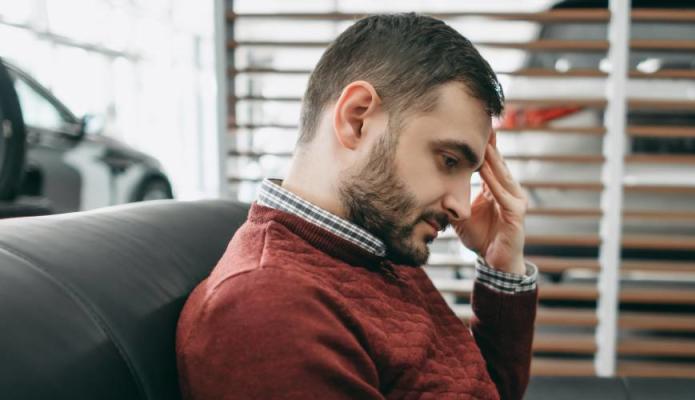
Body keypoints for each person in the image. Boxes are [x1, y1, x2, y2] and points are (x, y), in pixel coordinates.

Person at [176, 13, 538, 400]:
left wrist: (502, 268)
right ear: (357, 119)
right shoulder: (266, 311)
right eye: (449, 161)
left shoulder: (376, 243)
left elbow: (484, 390)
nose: (462, 208)